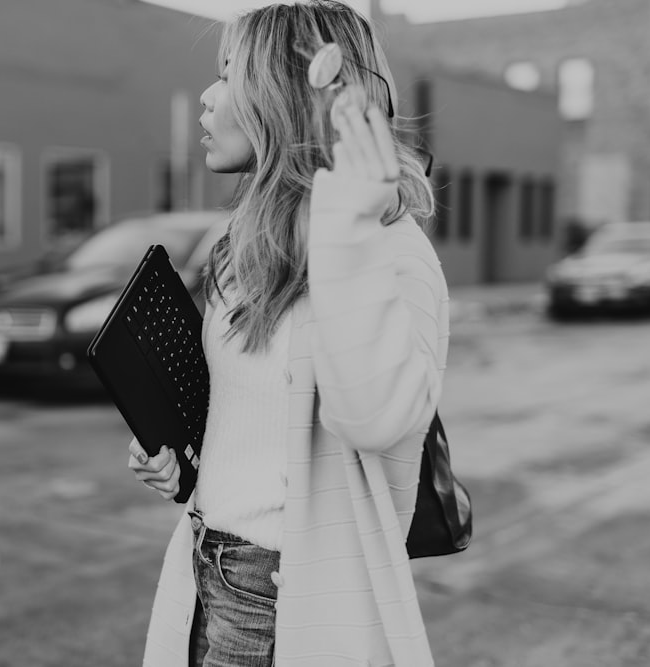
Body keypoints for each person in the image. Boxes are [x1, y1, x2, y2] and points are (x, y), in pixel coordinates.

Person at [128, 2, 448, 665]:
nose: (207, 101)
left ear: (282, 92)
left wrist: (347, 226)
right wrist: (184, 459)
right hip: (204, 564)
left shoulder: (389, 248)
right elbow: (258, 423)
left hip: (283, 596)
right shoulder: (248, 246)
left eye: (229, 76)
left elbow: (373, 417)